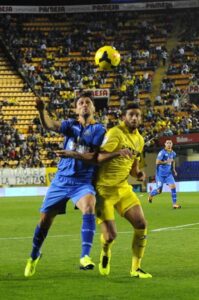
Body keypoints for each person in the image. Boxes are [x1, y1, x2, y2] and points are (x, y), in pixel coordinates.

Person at [24, 91, 106, 277]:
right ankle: (34, 255)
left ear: (93, 108)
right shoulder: (70, 125)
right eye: (81, 103)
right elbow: (50, 124)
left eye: (87, 102)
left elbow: (94, 156)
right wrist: (41, 111)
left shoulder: (99, 130)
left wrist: (73, 154)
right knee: (44, 222)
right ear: (76, 108)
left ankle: (85, 256)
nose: (84, 105)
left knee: (89, 205)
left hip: (82, 181)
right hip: (61, 181)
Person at [95, 103, 152, 279]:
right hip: (103, 191)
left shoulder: (139, 140)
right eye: (131, 115)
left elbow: (133, 167)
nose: (134, 118)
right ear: (124, 117)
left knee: (141, 225)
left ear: (140, 119)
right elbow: (98, 157)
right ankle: (105, 252)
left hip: (122, 188)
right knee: (111, 236)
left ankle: (136, 268)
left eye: (137, 115)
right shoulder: (114, 133)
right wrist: (118, 152)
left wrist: (139, 174)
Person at [148, 139, 181, 209]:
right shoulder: (162, 152)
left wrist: (174, 169)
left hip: (168, 174)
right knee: (159, 191)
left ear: (172, 144)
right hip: (160, 175)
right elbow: (157, 162)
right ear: (165, 144)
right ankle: (151, 195)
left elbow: (173, 161)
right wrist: (166, 161)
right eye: (167, 143)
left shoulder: (173, 153)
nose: (169, 144)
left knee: (173, 187)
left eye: (170, 143)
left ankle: (174, 204)